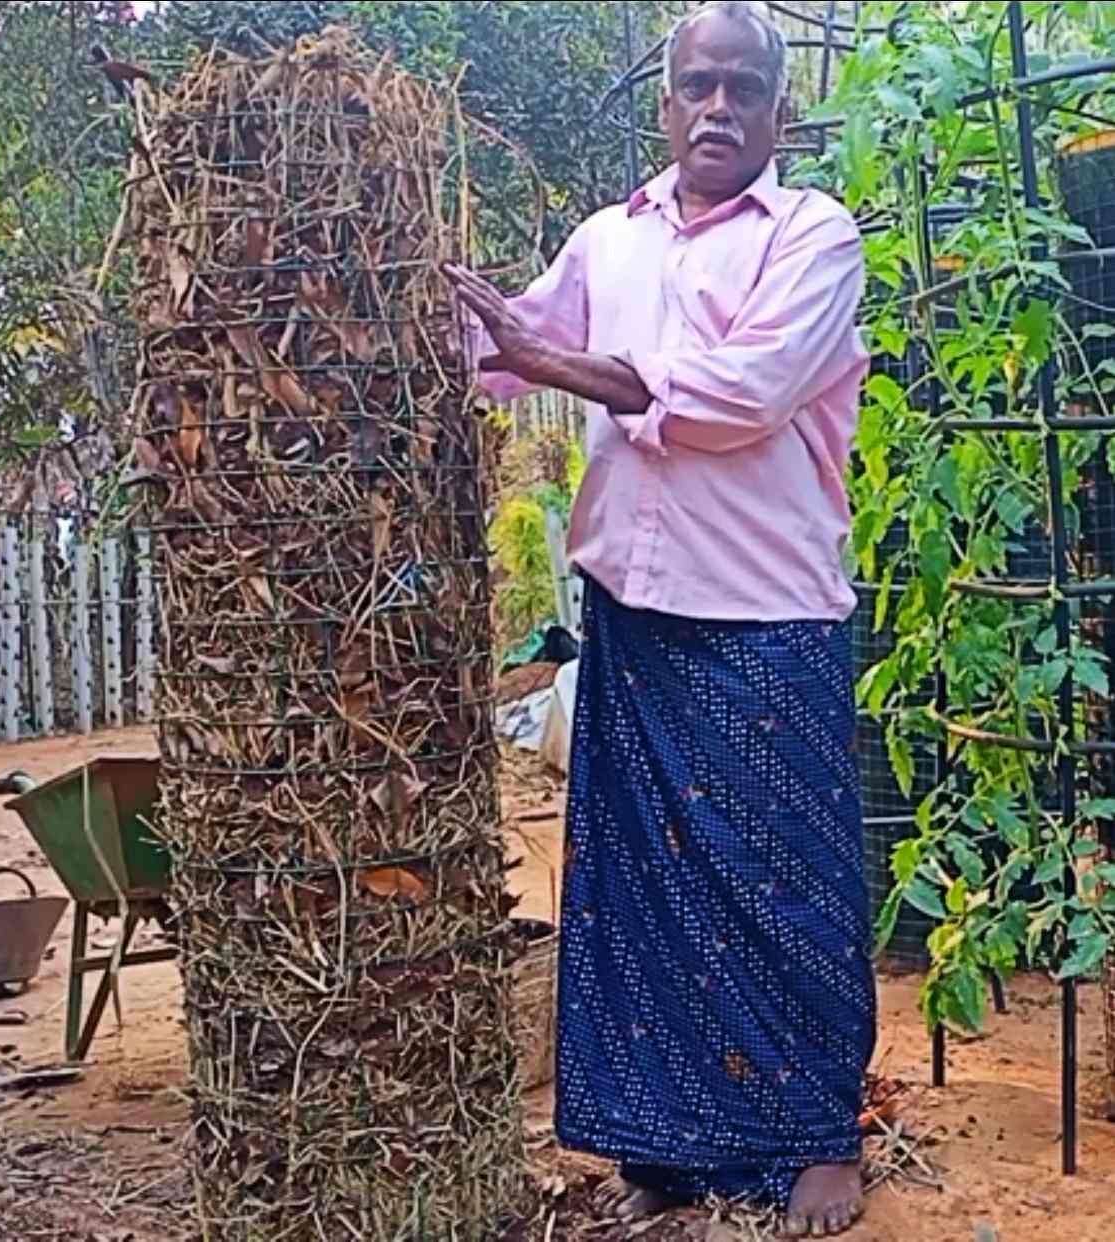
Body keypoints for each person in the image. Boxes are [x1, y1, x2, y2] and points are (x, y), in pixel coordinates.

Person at [443, 2, 875, 1237]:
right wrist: (421, 317)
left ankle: (814, 1139)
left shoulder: (812, 238)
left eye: (745, 88)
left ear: (777, 110)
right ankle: (664, 1147)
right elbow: (509, 349)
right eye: (698, 86)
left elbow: (736, 399)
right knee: (641, 894)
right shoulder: (605, 242)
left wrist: (563, 365)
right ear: (666, 101)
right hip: (632, 615)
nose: (718, 110)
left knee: (781, 885)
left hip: (764, 617)